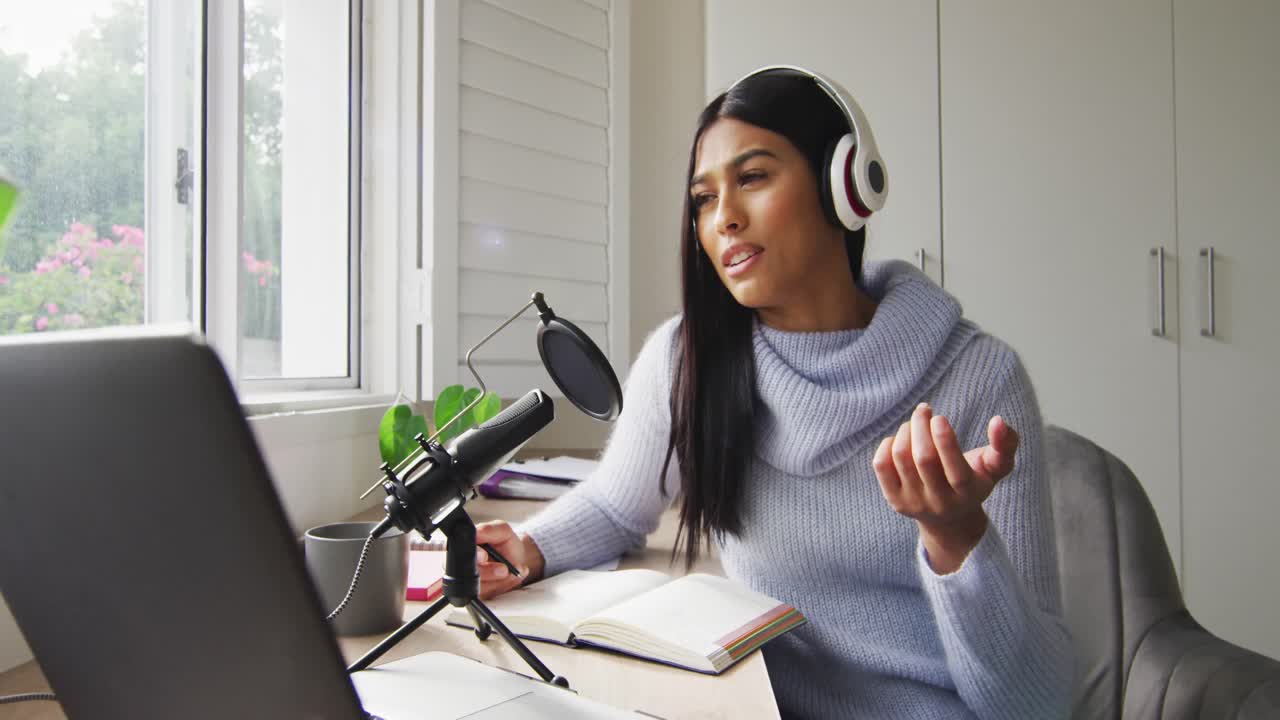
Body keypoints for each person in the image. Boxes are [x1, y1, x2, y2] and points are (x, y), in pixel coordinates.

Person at [472, 66, 1073, 718]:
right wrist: (529, 550)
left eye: (752, 179)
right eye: (703, 199)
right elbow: (619, 508)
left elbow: (1035, 705)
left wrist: (957, 539)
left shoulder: (979, 380)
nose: (724, 218)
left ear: (845, 188)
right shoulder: (688, 359)